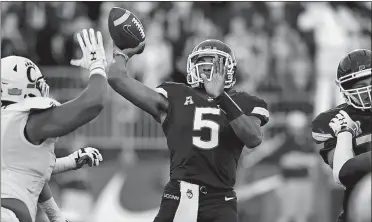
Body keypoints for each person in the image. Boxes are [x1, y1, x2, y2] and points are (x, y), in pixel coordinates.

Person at [107, 39, 269, 222]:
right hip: (180, 195)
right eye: (203, 63)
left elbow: (254, 138)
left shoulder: (245, 101)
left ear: (228, 69)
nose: (208, 69)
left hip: (221, 200)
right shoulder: (175, 95)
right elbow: (116, 78)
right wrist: (122, 54)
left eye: (214, 64)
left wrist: (221, 97)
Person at [1, 28, 107, 222]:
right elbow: (93, 103)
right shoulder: (28, 121)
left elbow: (28, 171)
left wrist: (71, 162)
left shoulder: (8, 124)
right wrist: (97, 66)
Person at [312, 49, 371, 222]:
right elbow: (344, 172)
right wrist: (345, 132)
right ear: (345, 89)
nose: (368, 91)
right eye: (361, 86)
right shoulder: (336, 120)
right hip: (360, 208)